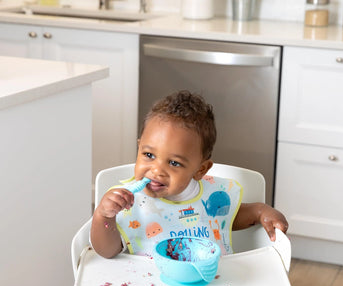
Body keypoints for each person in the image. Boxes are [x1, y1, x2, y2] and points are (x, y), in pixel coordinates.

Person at [91, 90, 288, 258]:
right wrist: (104, 217)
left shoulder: (212, 197)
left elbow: (229, 217)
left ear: (200, 170)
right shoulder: (126, 202)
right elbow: (106, 251)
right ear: (139, 147)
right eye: (149, 154)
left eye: (174, 162)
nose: (157, 170)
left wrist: (261, 212)